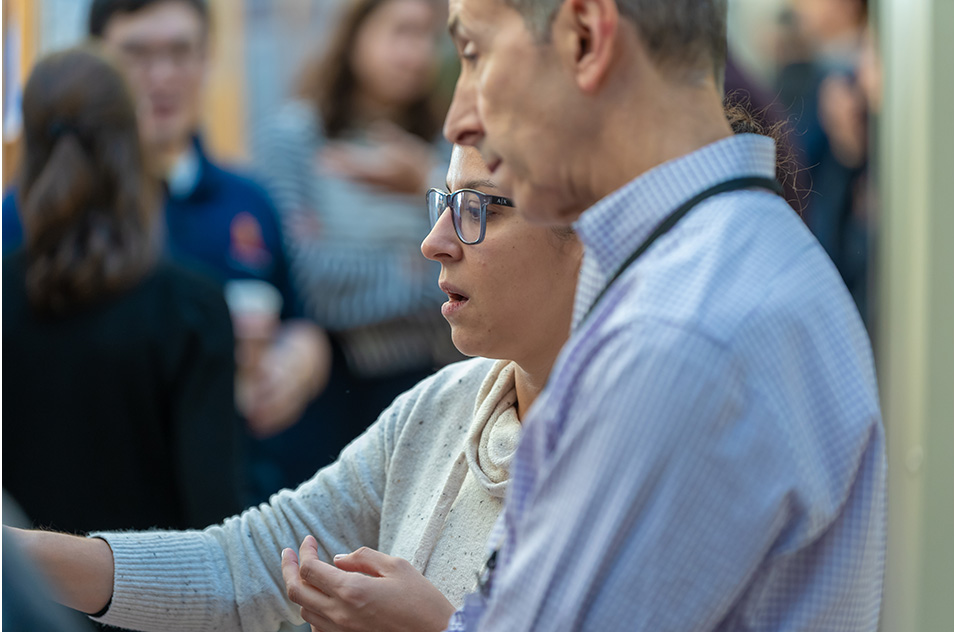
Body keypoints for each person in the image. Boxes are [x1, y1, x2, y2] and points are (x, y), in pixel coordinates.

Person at [287, 0, 888, 630]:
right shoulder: (748, 256)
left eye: (473, 54)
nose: (461, 116)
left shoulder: (675, 332)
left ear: (584, 37)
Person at [6, 143, 583, 632]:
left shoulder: (646, 447)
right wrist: (16, 554)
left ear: (589, 229)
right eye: (445, 201)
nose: (435, 240)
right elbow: (245, 567)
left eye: (478, 207)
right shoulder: (440, 408)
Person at [0, 0, 332, 504]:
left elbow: (302, 320)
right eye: (136, 54)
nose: (161, 76)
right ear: (100, 68)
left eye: (181, 52)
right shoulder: (28, 219)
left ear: (207, 59)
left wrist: (297, 366)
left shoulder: (249, 202)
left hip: (243, 487)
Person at [2, 45, 243, 533]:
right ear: (132, 138)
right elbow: (215, 521)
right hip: (150, 602)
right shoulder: (190, 309)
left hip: (16, 605)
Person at [251, 0, 463, 478]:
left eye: (429, 36)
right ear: (355, 33)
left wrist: (424, 185)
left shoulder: (445, 150)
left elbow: (478, 275)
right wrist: (417, 270)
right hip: (326, 393)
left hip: (424, 389)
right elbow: (311, 283)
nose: (415, 52)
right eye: (401, 31)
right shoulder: (295, 140)